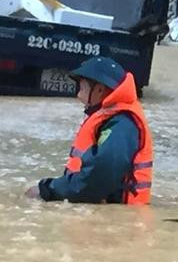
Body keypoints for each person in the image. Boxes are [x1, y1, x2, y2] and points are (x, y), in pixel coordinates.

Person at [26, 56, 153, 204]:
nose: (79, 95)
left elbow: (98, 178)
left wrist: (48, 190)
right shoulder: (114, 120)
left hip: (114, 220)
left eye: (82, 87)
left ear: (99, 89)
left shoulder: (122, 125)